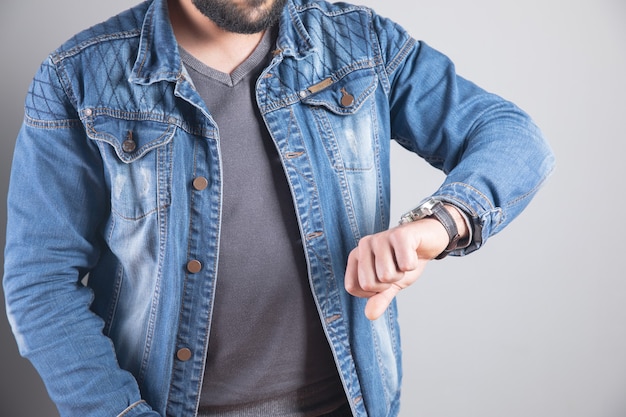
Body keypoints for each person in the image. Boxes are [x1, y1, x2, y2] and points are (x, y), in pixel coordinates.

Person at [2, 0, 555, 416]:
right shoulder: (77, 77)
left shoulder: (358, 42)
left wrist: (435, 226)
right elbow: (40, 281)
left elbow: (511, 137)